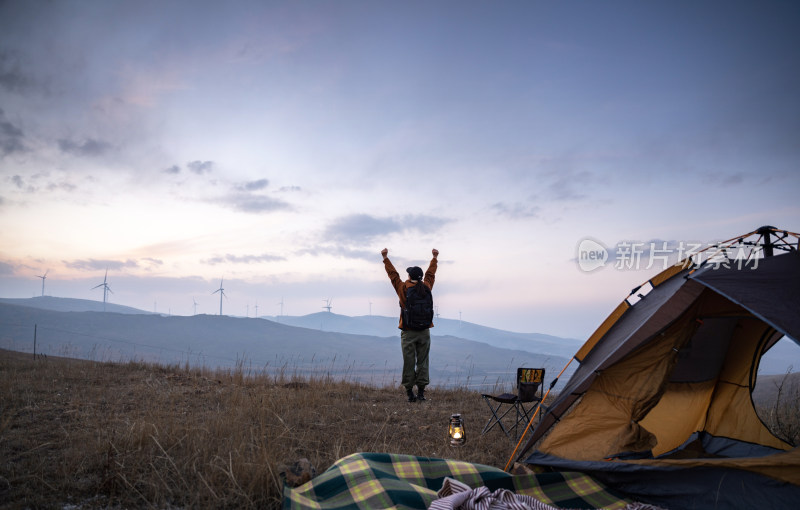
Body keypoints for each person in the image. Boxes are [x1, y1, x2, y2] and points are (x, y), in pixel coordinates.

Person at [381, 247, 438, 402]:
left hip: (408, 331)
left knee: (409, 361)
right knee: (423, 361)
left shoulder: (403, 288)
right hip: (425, 330)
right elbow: (431, 274)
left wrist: (385, 258)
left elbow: (393, 276)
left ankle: (409, 393)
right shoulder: (426, 286)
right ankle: (421, 392)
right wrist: (434, 258)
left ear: (409, 276)